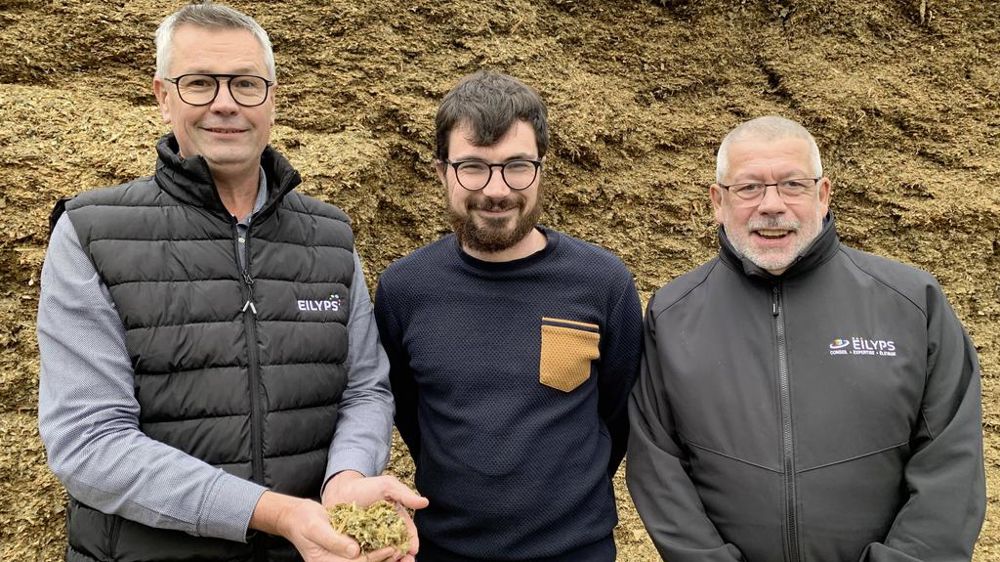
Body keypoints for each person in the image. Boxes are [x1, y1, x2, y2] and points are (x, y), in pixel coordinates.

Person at [36, 3, 426, 561]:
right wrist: (274, 513)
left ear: (272, 98)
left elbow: (365, 389)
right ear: (163, 96)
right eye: (199, 83)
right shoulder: (90, 233)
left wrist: (347, 477)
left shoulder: (330, 236)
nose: (225, 103)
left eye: (246, 83)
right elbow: (89, 442)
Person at [627, 115, 986, 562]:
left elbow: (951, 463)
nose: (771, 205)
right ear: (718, 201)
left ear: (823, 194)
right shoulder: (672, 314)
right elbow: (658, 464)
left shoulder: (913, 303)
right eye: (749, 187)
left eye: (793, 185)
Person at [372, 70, 643, 561]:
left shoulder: (603, 283)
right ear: (441, 171)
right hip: (445, 551)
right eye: (473, 167)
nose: (496, 190)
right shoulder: (403, 290)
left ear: (541, 169)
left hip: (575, 552)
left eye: (517, 166)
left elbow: (617, 414)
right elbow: (410, 413)